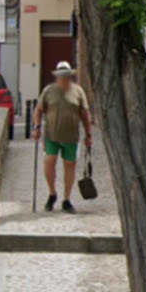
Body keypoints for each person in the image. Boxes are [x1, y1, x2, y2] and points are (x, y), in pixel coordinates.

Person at [33, 61, 92, 213]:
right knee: (49, 161)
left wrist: (88, 134)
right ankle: (52, 193)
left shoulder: (78, 91)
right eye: (61, 75)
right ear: (57, 76)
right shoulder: (49, 91)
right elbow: (38, 110)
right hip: (51, 135)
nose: (63, 77)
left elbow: (85, 114)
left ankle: (67, 199)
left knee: (69, 165)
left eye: (66, 75)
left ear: (69, 76)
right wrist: (37, 127)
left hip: (71, 136)